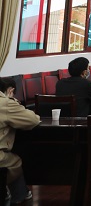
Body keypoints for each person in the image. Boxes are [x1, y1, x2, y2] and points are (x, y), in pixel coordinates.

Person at [0, 77, 39, 205]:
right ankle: (17, 195)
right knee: (15, 161)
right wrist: (13, 102)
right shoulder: (5, 103)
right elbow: (32, 120)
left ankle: (17, 194)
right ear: (10, 91)